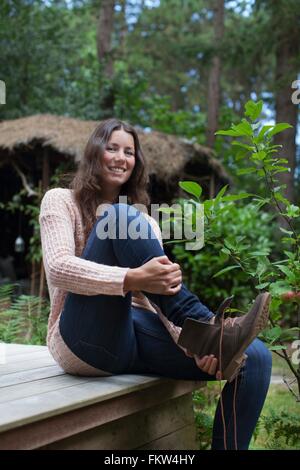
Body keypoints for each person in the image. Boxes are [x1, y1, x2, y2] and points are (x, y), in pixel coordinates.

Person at [39, 118, 272, 450]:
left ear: (137, 162)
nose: (121, 157)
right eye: (112, 148)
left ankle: (207, 334)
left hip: (135, 334)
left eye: (129, 152)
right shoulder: (59, 201)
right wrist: (131, 278)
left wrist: (192, 344)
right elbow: (59, 268)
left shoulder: (145, 220)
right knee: (118, 217)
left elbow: (160, 299)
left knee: (256, 356)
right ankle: (207, 324)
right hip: (82, 337)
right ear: (94, 152)